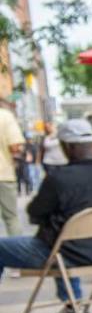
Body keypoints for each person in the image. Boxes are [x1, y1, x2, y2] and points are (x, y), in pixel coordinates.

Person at [0, 117, 92, 313]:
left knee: (48, 241)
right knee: (62, 236)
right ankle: (73, 305)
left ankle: (73, 302)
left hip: (66, 253)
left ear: (68, 147)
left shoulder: (59, 178)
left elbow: (34, 213)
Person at [0, 96, 25, 235]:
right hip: (3, 174)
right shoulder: (5, 116)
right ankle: (15, 247)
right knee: (11, 218)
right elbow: (15, 147)